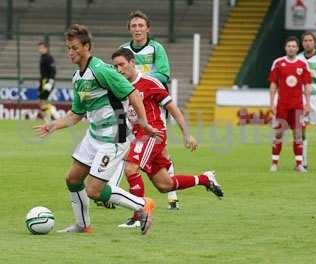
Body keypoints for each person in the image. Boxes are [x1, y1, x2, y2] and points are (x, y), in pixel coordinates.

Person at [34, 24, 160, 235]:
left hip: (114, 137)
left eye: (74, 48)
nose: (70, 52)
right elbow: (75, 114)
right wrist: (53, 125)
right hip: (94, 135)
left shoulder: (100, 70)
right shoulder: (78, 78)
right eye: (68, 48)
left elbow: (133, 94)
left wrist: (144, 122)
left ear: (86, 47)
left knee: (94, 190)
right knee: (73, 179)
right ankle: (83, 225)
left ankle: (142, 205)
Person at [112, 48, 224, 228]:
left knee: (131, 168)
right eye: (115, 66)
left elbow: (173, 109)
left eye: (122, 65)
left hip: (152, 134)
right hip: (138, 135)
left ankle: (139, 216)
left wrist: (187, 133)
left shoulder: (150, 82)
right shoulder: (119, 85)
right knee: (165, 185)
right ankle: (205, 179)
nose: (119, 69)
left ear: (132, 63)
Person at [120, 10, 179, 209]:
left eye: (141, 26)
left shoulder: (156, 48)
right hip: (129, 103)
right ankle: (119, 193)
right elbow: (116, 74)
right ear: (129, 29)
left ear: (147, 28)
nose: (137, 29)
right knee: (125, 146)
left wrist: (142, 80)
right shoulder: (124, 50)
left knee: (161, 149)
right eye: (134, 26)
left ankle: (171, 195)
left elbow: (164, 74)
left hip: (151, 103)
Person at [269, 36, 312, 172]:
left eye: (294, 46)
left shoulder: (303, 64)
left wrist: (308, 104)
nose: (291, 48)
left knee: (298, 134)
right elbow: (273, 84)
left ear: (297, 48)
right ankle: (274, 163)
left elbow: (307, 86)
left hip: (298, 106)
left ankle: (299, 164)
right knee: (278, 134)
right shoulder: (278, 63)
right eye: (289, 46)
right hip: (282, 106)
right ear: (285, 48)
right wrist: (271, 103)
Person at [297, 31, 316, 169]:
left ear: (315, 42)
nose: (307, 43)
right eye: (305, 40)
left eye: (310, 40)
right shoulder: (298, 59)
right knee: (301, 130)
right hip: (301, 98)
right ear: (302, 43)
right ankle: (303, 162)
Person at [37, 41, 60, 123]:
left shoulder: (49, 58)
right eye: (39, 48)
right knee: (41, 100)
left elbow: (53, 70)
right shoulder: (42, 57)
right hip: (43, 81)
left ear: (46, 48)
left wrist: (50, 81)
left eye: (42, 48)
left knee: (42, 100)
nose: (40, 50)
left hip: (47, 81)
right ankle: (48, 119)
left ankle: (52, 110)